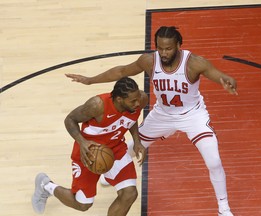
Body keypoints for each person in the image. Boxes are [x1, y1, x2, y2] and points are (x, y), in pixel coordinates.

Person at [66, 26, 237, 216]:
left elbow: (217, 74)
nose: (163, 53)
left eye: (169, 48)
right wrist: (90, 80)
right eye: (160, 48)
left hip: (193, 116)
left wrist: (226, 79)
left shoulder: (194, 63)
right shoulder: (149, 60)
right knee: (132, 147)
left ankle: (224, 208)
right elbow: (121, 71)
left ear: (179, 45)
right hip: (162, 115)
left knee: (214, 161)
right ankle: (108, 169)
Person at [31, 77, 148, 216]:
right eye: (133, 101)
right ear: (119, 100)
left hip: (116, 148)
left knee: (129, 194)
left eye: (137, 98)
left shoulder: (140, 99)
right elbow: (70, 119)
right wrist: (82, 142)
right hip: (89, 152)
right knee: (83, 204)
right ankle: (46, 186)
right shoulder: (97, 105)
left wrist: (137, 141)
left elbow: (131, 119)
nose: (138, 102)